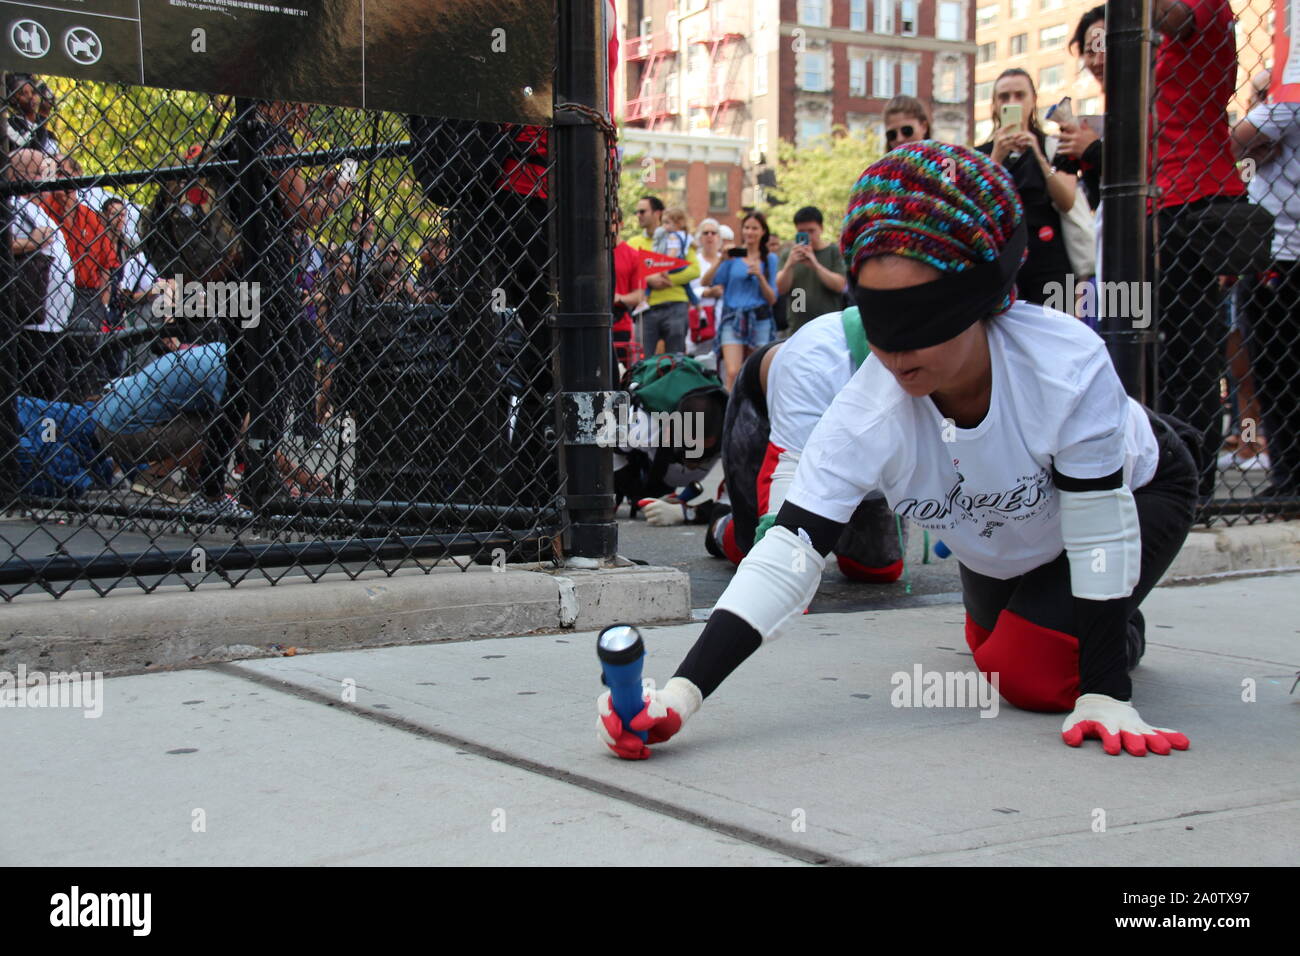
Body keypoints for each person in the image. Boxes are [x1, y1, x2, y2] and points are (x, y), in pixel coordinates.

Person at [598, 143, 1199, 761]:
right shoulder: (868, 407)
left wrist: (1105, 690)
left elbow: (1099, 526)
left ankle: (1109, 624)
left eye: (924, 315)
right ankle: (1076, 610)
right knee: (991, 652)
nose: (896, 351)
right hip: (1012, 527)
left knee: (1031, 675)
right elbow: (788, 554)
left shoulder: (1066, 364)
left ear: (984, 296)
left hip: (1135, 488)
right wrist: (677, 695)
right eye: (879, 317)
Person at [705, 305, 906, 583]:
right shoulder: (816, 360)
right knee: (759, 556)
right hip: (769, 412)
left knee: (877, 569)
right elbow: (787, 467)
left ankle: (831, 528)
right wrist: (780, 571)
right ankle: (723, 519)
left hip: (856, 445)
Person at [1234, 71, 1300, 500]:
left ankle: (1290, 477)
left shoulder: (1289, 91)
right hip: (1270, 249)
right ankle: (1288, 475)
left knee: (1278, 368)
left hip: (1282, 252)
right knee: (1272, 368)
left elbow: (1236, 142)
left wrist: (1258, 117)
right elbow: (1244, 154)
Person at [977, 70, 1077, 307]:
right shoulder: (980, 155)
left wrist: (1040, 157)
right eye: (1004, 97)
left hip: (1050, 264)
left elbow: (1067, 200)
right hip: (1003, 265)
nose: (1012, 103)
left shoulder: (1055, 146)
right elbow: (976, 208)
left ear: (1033, 101)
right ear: (994, 106)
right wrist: (997, 158)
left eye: (1020, 95)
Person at [49, 154, 121, 396]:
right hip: (57, 292)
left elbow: (106, 266)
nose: (60, 178)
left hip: (87, 295)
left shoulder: (91, 218)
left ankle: (89, 397)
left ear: (78, 176)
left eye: (65, 172)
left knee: (89, 347)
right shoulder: (44, 210)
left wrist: (102, 303)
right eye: (56, 173)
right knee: (59, 353)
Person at [8, 148, 74, 401]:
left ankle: (46, 439)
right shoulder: (10, 203)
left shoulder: (33, 208)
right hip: (30, 324)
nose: (48, 178)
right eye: (40, 172)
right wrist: (31, 244)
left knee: (49, 396)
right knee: (33, 396)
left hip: (51, 325)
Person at [701, 211, 779, 390]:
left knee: (756, 372)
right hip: (733, 318)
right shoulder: (732, 257)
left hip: (759, 319)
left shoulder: (770, 259)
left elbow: (772, 298)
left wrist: (760, 276)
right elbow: (706, 282)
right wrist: (721, 259)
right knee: (732, 371)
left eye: (754, 228)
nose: (750, 232)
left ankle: (754, 415)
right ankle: (730, 415)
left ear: (763, 232)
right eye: (746, 227)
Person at [628, 196, 700, 355]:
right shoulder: (633, 243)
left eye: (642, 211)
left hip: (676, 305)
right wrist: (649, 280)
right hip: (645, 310)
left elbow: (695, 270)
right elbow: (628, 272)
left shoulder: (677, 237)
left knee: (676, 361)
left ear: (657, 213)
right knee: (642, 361)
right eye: (636, 212)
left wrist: (668, 280)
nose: (638, 215)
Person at [774, 206, 848, 336]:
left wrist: (815, 265)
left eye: (811, 231)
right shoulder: (789, 255)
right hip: (797, 328)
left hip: (828, 328)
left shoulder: (832, 251)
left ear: (821, 229)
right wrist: (789, 265)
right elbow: (781, 288)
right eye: (802, 231)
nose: (807, 236)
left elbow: (839, 285)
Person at [611, 208, 647, 372]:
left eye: (612, 222)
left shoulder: (633, 255)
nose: (608, 227)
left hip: (620, 326)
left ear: (620, 225)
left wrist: (618, 298)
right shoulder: (588, 253)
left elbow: (640, 295)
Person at [4, 74, 58, 155]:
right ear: (12, 99)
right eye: (23, 93)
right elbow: (34, 150)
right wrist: (43, 115)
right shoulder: (12, 124)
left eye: (33, 92)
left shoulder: (49, 135)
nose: (30, 96)